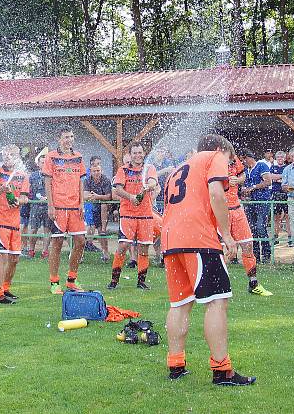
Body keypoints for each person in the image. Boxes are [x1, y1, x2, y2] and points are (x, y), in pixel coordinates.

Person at [162, 134, 256, 386]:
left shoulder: (179, 168)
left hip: (171, 240)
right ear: (218, 150)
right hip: (198, 239)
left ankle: (175, 364)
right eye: (230, 160)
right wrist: (227, 236)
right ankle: (222, 370)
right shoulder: (214, 156)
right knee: (217, 301)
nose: (230, 167)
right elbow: (216, 194)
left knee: (179, 304)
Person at [43, 125, 88, 294]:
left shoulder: (78, 157)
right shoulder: (51, 157)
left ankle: (71, 279)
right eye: (66, 137)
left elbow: (81, 182)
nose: (69, 140)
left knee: (81, 241)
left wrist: (82, 203)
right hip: (59, 207)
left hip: (75, 207)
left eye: (71, 137)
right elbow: (47, 182)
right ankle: (54, 282)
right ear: (59, 139)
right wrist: (50, 204)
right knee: (57, 243)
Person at [109, 142, 157, 290]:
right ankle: (114, 281)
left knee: (144, 248)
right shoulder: (123, 170)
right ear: (130, 155)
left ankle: (141, 281)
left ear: (144, 153)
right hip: (128, 214)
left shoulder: (149, 168)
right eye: (135, 153)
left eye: (140, 152)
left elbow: (153, 181)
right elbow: (117, 189)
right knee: (123, 245)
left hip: (145, 214)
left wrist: (149, 185)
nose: (138, 155)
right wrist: (131, 197)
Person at [0, 144, 30, 304]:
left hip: (14, 223)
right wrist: (1, 189)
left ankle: (5, 288)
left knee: (14, 259)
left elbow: (25, 198)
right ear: (2, 156)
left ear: (17, 157)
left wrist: (19, 200)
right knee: (2, 257)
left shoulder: (22, 175)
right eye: (6, 154)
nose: (8, 157)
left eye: (12, 154)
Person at [227, 155, 272, 295]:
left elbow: (243, 176)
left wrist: (237, 180)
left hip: (236, 208)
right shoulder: (211, 161)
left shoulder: (234, 159)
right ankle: (217, 284)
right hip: (220, 210)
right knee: (221, 249)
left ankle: (253, 283)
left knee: (247, 245)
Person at [237, 149, 272, 263]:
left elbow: (268, 181)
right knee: (252, 229)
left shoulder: (261, 165)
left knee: (261, 227)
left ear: (248, 157)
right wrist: (244, 190)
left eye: (243, 160)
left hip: (262, 201)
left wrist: (253, 187)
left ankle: (267, 254)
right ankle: (256, 254)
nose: (243, 162)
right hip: (250, 202)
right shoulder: (246, 170)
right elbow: (245, 185)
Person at [84, 156, 112, 263]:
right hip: (94, 207)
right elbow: (85, 195)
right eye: (94, 171)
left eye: (98, 170)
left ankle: (105, 253)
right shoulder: (87, 180)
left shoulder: (105, 180)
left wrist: (97, 196)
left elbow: (108, 196)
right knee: (92, 229)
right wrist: (92, 196)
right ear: (90, 171)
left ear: (101, 170)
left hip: (106, 207)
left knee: (101, 231)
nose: (96, 172)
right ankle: (90, 249)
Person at [27, 148, 51, 259]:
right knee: (33, 229)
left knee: (47, 229)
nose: (44, 164)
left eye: (46, 162)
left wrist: (48, 198)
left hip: (48, 206)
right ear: (38, 164)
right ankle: (31, 250)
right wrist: (34, 198)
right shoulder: (32, 176)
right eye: (42, 162)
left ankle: (45, 252)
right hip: (35, 206)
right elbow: (28, 191)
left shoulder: (52, 176)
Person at [269, 151, 289, 247]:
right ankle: (276, 236)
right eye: (278, 157)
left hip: (286, 194)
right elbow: (271, 177)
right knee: (276, 217)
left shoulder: (287, 168)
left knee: (287, 216)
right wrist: (282, 177)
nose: (280, 159)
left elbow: (288, 179)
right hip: (275, 193)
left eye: (281, 157)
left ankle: (290, 237)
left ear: (284, 158)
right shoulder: (273, 167)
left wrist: (279, 178)